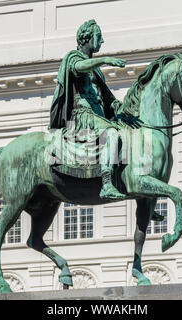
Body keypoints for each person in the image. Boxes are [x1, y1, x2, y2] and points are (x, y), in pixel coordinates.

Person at [49, 19, 140, 200]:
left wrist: (121, 108)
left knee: (130, 136)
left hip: (98, 115)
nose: (102, 41)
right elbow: (78, 68)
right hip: (82, 114)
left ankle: (140, 191)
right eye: (99, 36)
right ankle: (106, 184)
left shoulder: (96, 71)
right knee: (112, 134)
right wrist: (104, 60)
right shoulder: (73, 58)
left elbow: (106, 98)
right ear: (87, 38)